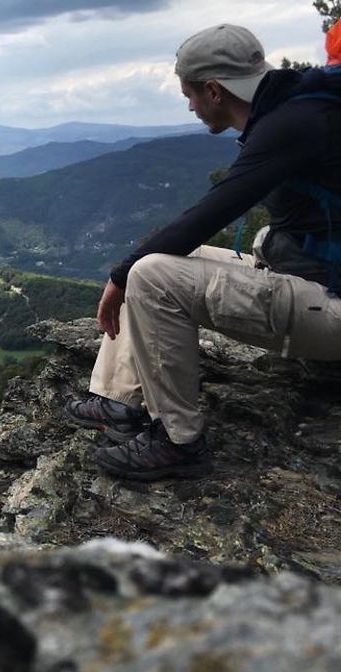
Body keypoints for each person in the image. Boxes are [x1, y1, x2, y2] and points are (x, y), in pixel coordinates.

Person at [64, 23, 341, 481]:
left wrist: (118, 276)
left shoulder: (290, 125)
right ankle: (119, 401)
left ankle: (179, 441)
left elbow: (211, 210)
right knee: (166, 263)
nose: (190, 106)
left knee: (150, 273)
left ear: (214, 90)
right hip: (317, 284)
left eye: (189, 95)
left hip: (330, 306)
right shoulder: (300, 108)